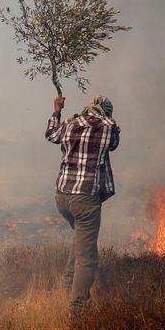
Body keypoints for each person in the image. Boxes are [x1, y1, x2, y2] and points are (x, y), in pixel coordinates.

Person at [46, 94, 120, 315]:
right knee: (88, 259)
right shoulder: (109, 126)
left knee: (81, 239)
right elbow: (114, 145)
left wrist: (57, 110)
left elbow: (50, 135)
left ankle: (68, 285)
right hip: (86, 198)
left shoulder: (69, 123)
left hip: (63, 197)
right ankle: (77, 312)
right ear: (106, 111)